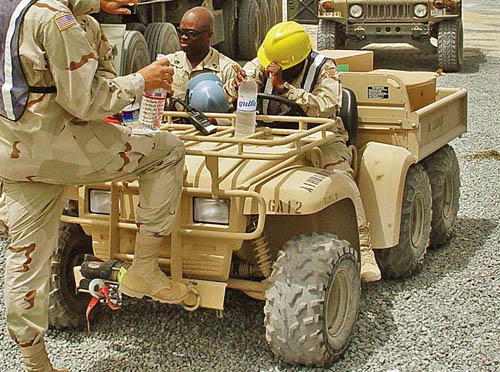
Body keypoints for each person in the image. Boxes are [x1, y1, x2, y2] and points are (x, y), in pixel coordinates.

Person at [0, 0, 191, 370]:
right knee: (168, 151)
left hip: (14, 152)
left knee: (26, 259)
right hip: (59, 147)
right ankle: (145, 270)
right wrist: (142, 80)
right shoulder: (57, 20)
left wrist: (96, 7)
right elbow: (88, 101)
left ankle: (35, 363)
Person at [231, 21, 382, 283]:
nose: (270, 68)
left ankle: (365, 248)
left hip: (319, 136)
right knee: (231, 169)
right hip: (269, 134)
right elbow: (235, 95)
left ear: (295, 62)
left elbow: (325, 106)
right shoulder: (262, 63)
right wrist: (235, 87)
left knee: (339, 172)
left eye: (278, 66)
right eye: (269, 63)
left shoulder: (325, 68)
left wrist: (283, 89)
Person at [165, 6, 240, 110]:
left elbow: (243, 116)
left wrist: (216, 121)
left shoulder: (228, 70)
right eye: (181, 32)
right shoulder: (167, 65)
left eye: (191, 33)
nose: (183, 37)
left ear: (208, 35)